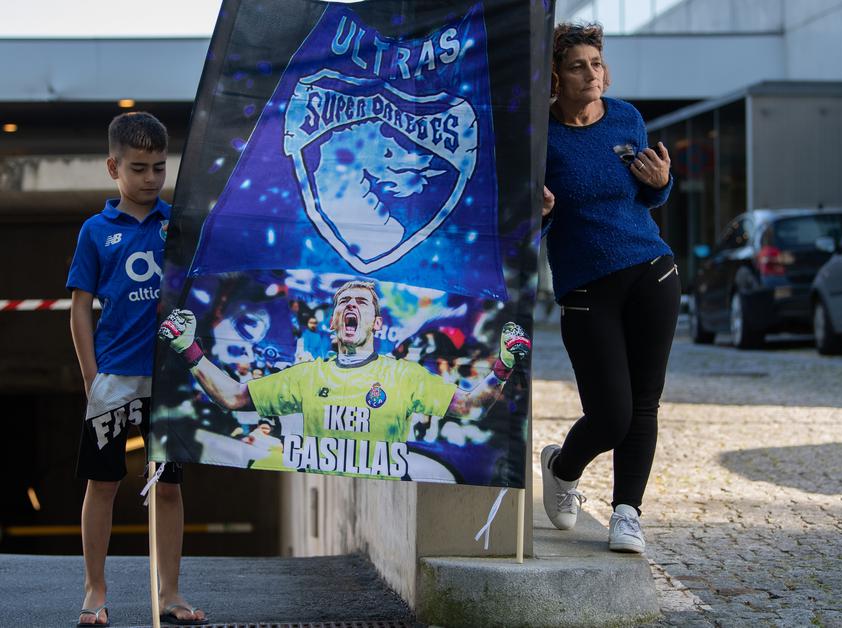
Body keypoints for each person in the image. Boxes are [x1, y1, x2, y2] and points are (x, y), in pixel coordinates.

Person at [539, 23, 679, 554]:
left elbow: (647, 196)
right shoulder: (539, 136)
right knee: (611, 414)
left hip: (652, 272)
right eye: (578, 66)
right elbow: (530, 223)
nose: (591, 74)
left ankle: (628, 513)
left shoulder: (626, 118)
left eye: (596, 63)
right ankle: (563, 467)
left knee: (644, 403)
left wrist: (661, 183)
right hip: (585, 289)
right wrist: (539, 213)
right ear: (556, 76)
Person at [158, 280, 530, 478]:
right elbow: (234, 397)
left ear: (377, 324)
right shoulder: (306, 375)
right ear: (334, 321)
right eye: (343, 303)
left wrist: (504, 365)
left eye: (361, 302)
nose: (351, 305)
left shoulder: (404, 375)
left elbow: (467, 406)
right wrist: (189, 349)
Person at [67, 112, 207, 626]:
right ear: (114, 168)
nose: (151, 178)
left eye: (159, 167)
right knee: (103, 484)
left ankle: (170, 593)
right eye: (139, 168)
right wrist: (91, 377)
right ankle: (94, 591)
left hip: (166, 381)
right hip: (114, 379)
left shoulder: (179, 223)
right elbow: (79, 308)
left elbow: (201, 293)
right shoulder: (95, 231)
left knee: (168, 486)